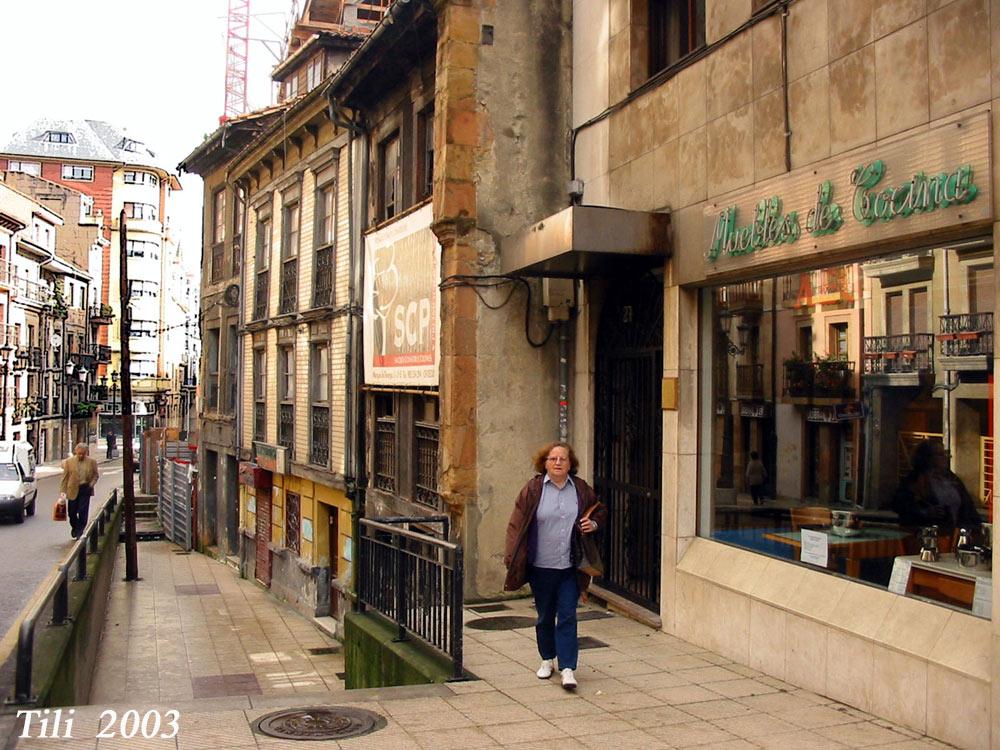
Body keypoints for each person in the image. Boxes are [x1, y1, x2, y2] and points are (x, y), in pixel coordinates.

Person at [503, 441, 606, 691]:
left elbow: (598, 511)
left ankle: (568, 667)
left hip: (570, 565)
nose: (558, 463)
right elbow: (516, 525)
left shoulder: (581, 489)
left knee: (568, 614)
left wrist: (592, 524)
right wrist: (513, 557)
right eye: (553, 459)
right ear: (544, 463)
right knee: (545, 616)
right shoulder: (533, 490)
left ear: (571, 464)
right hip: (541, 566)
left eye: (563, 459)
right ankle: (547, 658)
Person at [892, 440, 982, 537]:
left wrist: (974, 527)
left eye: (945, 453)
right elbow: (900, 505)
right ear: (927, 458)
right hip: (924, 535)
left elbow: (967, 505)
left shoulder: (951, 478)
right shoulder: (915, 480)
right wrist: (925, 512)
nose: (945, 457)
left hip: (953, 536)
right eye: (939, 454)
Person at [60, 443, 99, 540]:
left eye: (83, 454)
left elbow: (95, 475)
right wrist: (62, 492)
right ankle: (75, 527)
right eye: (79, 454)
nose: (81, 455)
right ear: (76, 452)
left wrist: (91, 484)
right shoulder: (69, 462)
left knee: (83, 511)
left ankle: (80, 531)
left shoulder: (92, 462)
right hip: (72, 489)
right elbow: (64, 478)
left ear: (86, 453)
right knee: (71, 512)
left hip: (85, 488)